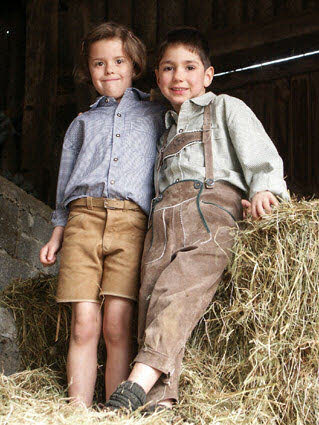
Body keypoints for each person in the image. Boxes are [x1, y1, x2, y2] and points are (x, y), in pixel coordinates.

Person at [104, 27, 290, 412]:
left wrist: (264, 189)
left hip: (210, 211)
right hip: (162, 222)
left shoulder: (225, 108)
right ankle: (159, 407)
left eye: (189, 67)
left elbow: (261, 155)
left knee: (179, 289)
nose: (179, 77)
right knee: (151, 298)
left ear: (207, 75)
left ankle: (134, 384)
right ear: (157, 77)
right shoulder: (163, 131)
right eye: (169, 68)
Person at [39, 22, 166, 407]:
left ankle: (114, 410)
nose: (109, 70)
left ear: (135, 65)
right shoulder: (81, 123)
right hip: (82, 221)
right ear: (88, 70)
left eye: (118, 61)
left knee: (116, 325)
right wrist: (57, 231)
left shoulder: (157, 115)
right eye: (99, 63)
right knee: (84, 324)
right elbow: (64, 184)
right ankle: (76, 412)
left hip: (131, 223)